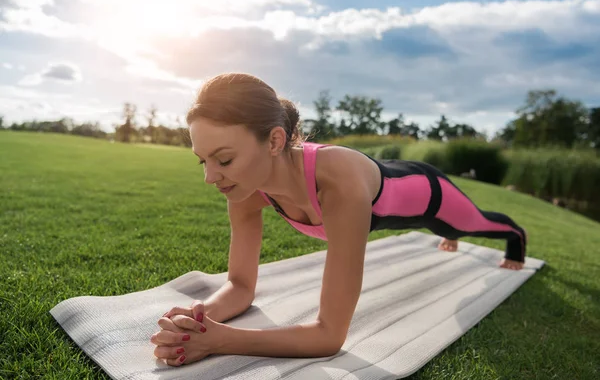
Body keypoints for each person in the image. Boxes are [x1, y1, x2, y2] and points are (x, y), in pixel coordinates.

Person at [150, 72, 528, 367]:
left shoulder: (338, 180)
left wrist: (220, 340)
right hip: (383, 189)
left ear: (274, 141)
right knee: (452, 231)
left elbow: (329, 335)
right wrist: (200, 318)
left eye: (224, 159)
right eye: (203, 160)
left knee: (465, 224)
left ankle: (515, 236)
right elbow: (240, 285)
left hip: (428, 192)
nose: (209, 176)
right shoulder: (245, 190)